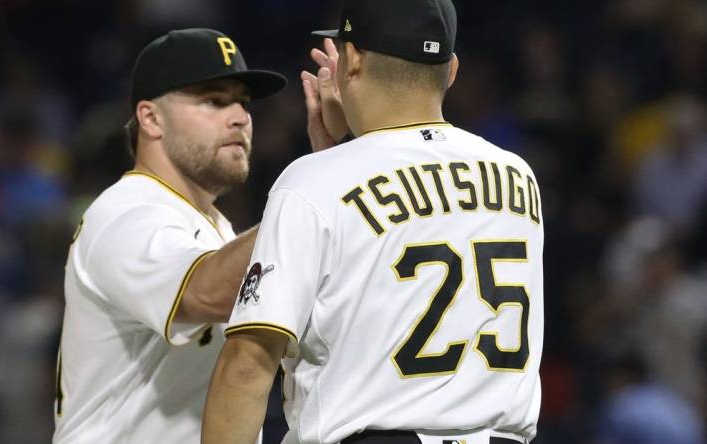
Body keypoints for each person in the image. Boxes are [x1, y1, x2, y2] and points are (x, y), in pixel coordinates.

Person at [202, 0, 545, 443]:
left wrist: (332, 158)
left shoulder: (312, 182)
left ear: (354, 59)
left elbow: (247, 366)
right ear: (452, 69)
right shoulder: (517, 175)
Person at [52, 28, 290, 443]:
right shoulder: (126, 212)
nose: (239, 117)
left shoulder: (214, 227)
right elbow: (205, 293)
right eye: (214, 100)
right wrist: (315, 197)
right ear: (151, 118)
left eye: (243, 102)